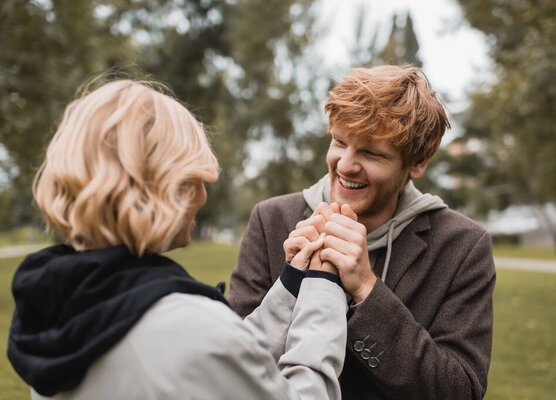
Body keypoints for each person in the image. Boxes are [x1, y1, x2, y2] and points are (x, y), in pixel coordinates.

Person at [7, 79, 348, 399]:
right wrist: (323, 285)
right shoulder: (191, 329)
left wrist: (291, 282)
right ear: (167, 188)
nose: (203, 194)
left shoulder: (59, 304)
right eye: (196, 177)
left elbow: (231, 362)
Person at [229, 65, 496, 400]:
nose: (344, 165)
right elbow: (231, 368)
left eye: (371, 153)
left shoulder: (462, 246)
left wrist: (368, 291)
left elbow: (460, 390)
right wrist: (291, 288)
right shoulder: (271, 221)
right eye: (340, 141)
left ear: (416, 163)